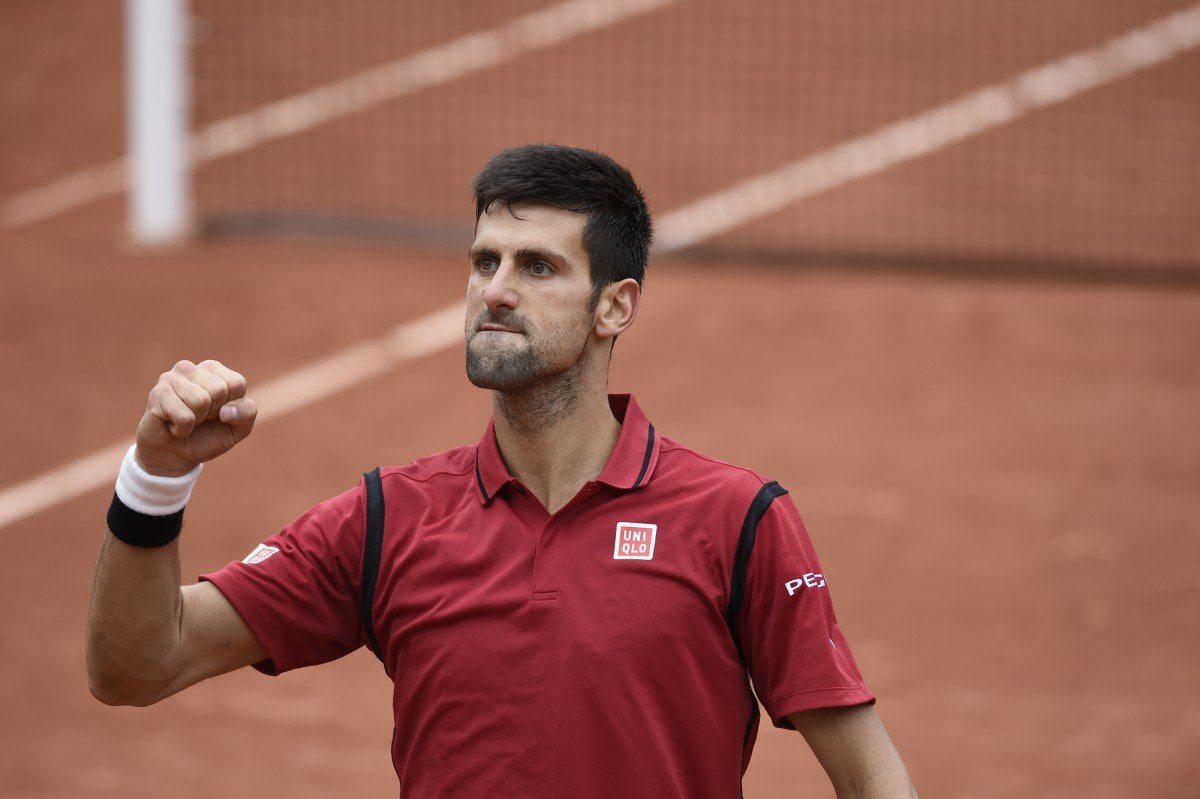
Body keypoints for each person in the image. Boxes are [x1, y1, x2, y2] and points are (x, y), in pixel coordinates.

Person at [87, 144, 917, 797]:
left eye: (538, 266)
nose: (496, 290)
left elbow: (868, 775)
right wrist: (155, 477)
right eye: (486, 261)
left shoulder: (736, 519)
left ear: (615, 305)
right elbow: (140, 665)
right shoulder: (388, 520)